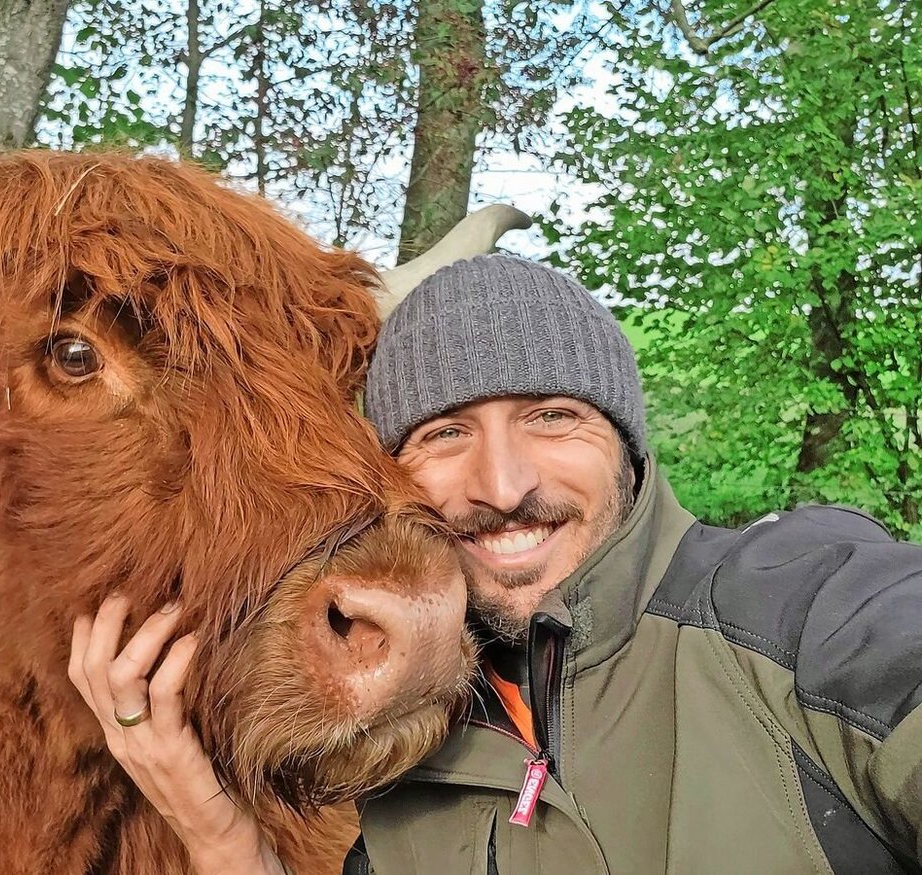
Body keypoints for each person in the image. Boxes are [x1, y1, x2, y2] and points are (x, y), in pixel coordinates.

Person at [69, 255, 922, 873]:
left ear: (625, 444)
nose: (504, 485)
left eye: (552, 416)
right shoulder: (407, 738)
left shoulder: (798, 614)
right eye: (445, 433)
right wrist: (218, 833)